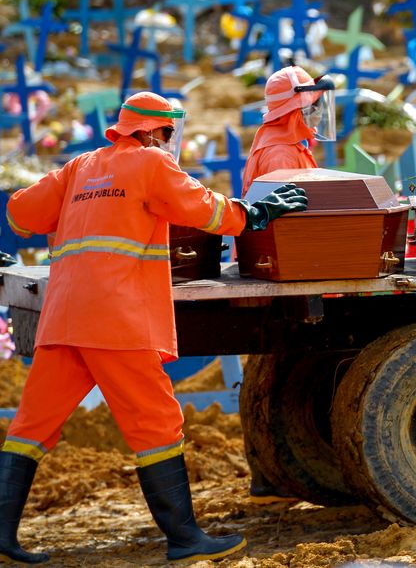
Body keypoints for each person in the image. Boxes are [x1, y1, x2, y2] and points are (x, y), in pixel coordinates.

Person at [0, 92, 308, 564]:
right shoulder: (150, 164)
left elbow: (20, 214)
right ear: (150, 131)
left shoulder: (79, 166)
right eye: (167, 134)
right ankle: (184, 537)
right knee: (157, 425)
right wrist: (256, 213)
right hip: (116, 319)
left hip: (63, 317)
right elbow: (205, 210)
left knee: (30, 428)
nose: (169, 143)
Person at [239, 65, 335, 504]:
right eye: (311, 108)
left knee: (275, 371)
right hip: (288, 271)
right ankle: (267, 473)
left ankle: (267, 474)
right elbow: (293, 224)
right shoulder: (279, 154)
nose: (316, 117)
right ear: (293, 109)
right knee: (279, 373)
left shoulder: (287, 144)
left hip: (286, 267)